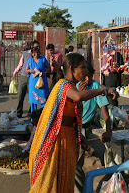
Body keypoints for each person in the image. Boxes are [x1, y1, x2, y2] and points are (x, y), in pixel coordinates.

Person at [29, 53, 118, 193]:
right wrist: (103, 90)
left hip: (68, 138)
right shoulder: (63, 85)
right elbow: (77, 97)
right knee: (52, 183)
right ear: (72, 69)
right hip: (57, 140)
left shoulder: (72, 86)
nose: (86, 71)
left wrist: (80, 137)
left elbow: (70, 118)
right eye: (82, 68)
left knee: (65, 180)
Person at [74, 64, 112, 193]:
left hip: (86, 127)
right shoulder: (73, 87)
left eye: (88, 77)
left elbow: (104, 110)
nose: (86, 80)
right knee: (76, 164)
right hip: (74, 127)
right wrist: (79, 93)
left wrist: (108, 130)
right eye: (84, 77)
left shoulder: (96, 87)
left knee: (82, 160)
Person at [13, 41, 40, 118]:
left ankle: (30, 112)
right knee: (21, 95)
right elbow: (20, 64)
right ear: (31, 47)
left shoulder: (41, 56)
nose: (37, 48)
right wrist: (15, 72)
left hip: (34, 78)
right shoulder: (25, 53)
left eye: (38, 47)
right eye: (36, 47)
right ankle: (19, 112)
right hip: (24, 76)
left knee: (33, 95)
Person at [26, 46, 50, 112]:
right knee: (33, 102)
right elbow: (26, 70)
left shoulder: (43, 59)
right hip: (33, 83)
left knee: (43, 100)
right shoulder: (30, 61)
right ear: (31, 53)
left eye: (37, 53)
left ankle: (44, 117)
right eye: (34, 53)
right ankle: (33, 117)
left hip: (42, 82)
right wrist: (30, 70)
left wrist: (45, 73)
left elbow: (48, 68)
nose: (36, 54)